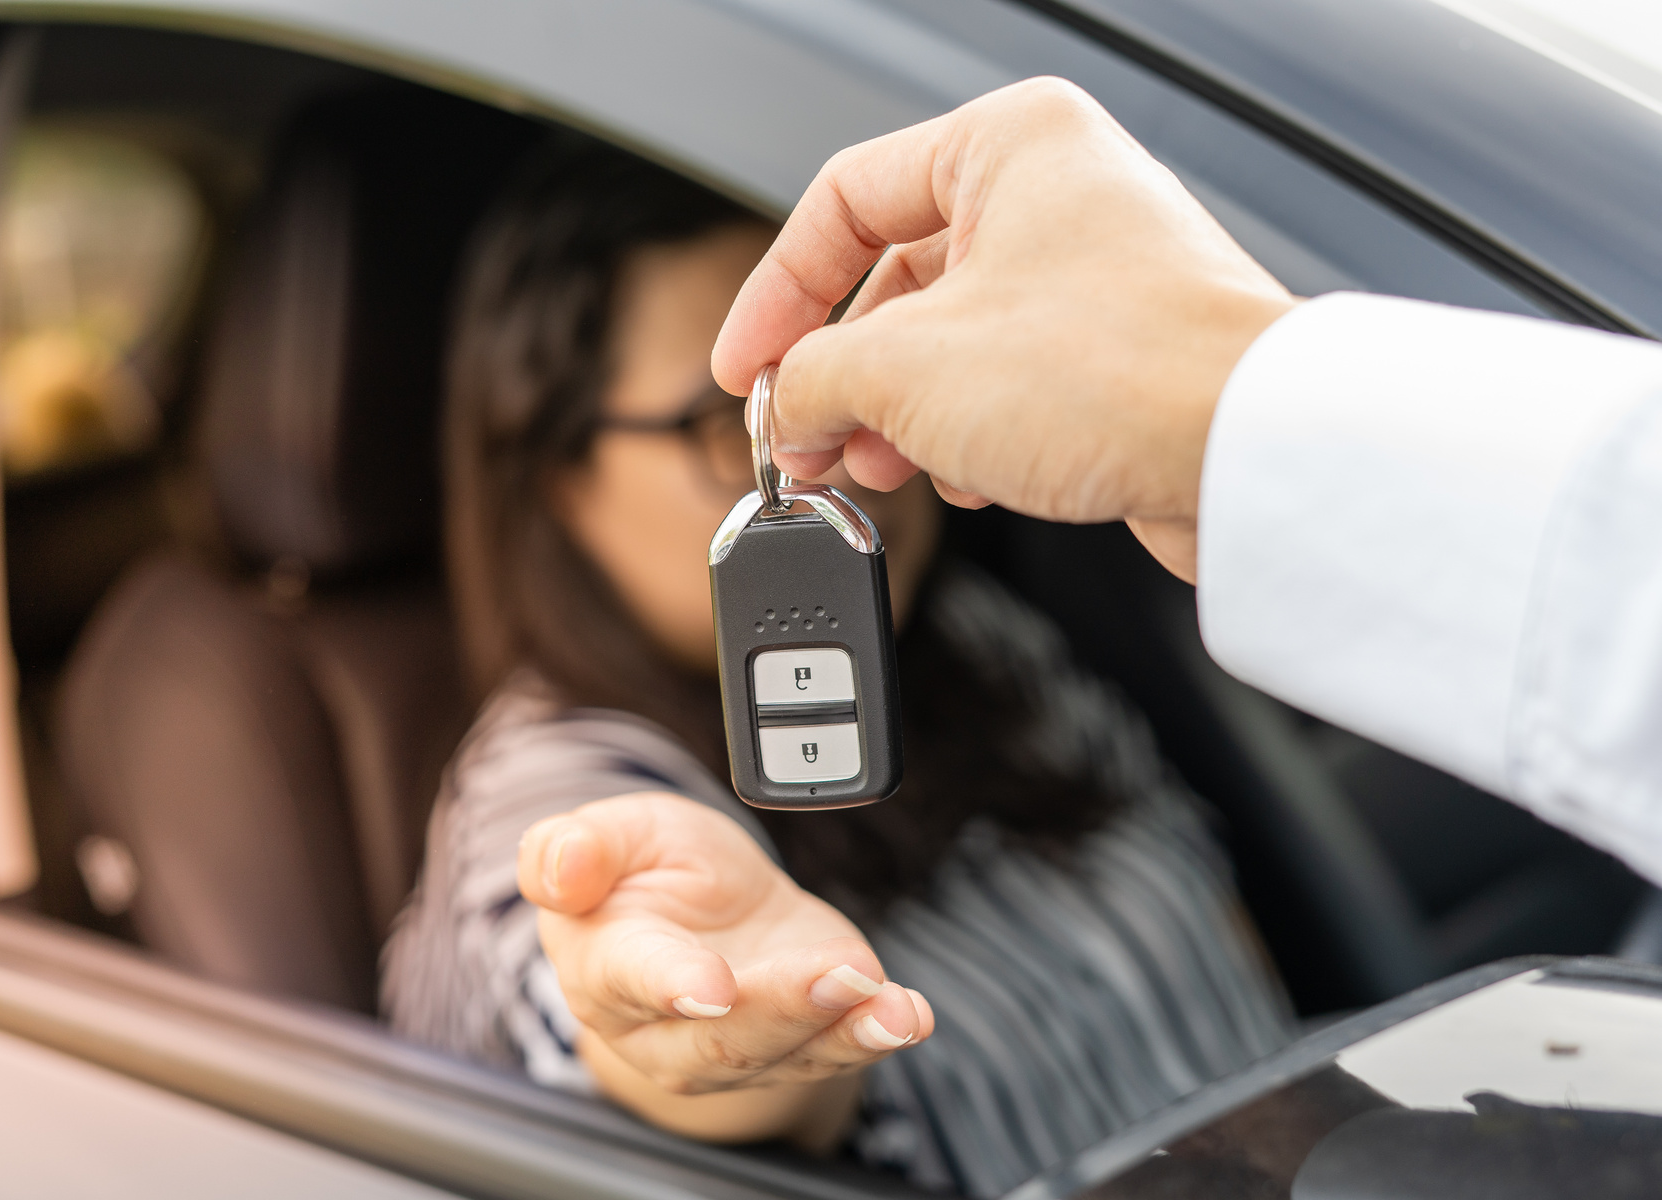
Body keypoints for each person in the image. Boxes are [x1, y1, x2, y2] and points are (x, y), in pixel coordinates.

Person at [383, 140, 1293, 1198]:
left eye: (848, 383)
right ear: (556, 479)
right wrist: (718, 1018)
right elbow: (655, 1038)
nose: (825, 463)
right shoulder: (555, 795)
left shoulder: (969, 639)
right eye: (740, 422)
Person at [709, 78, 1662, 890]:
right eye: (703, 424)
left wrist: (1217, 411)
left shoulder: (1003, 646)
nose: (872, 457)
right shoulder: (595, 779)